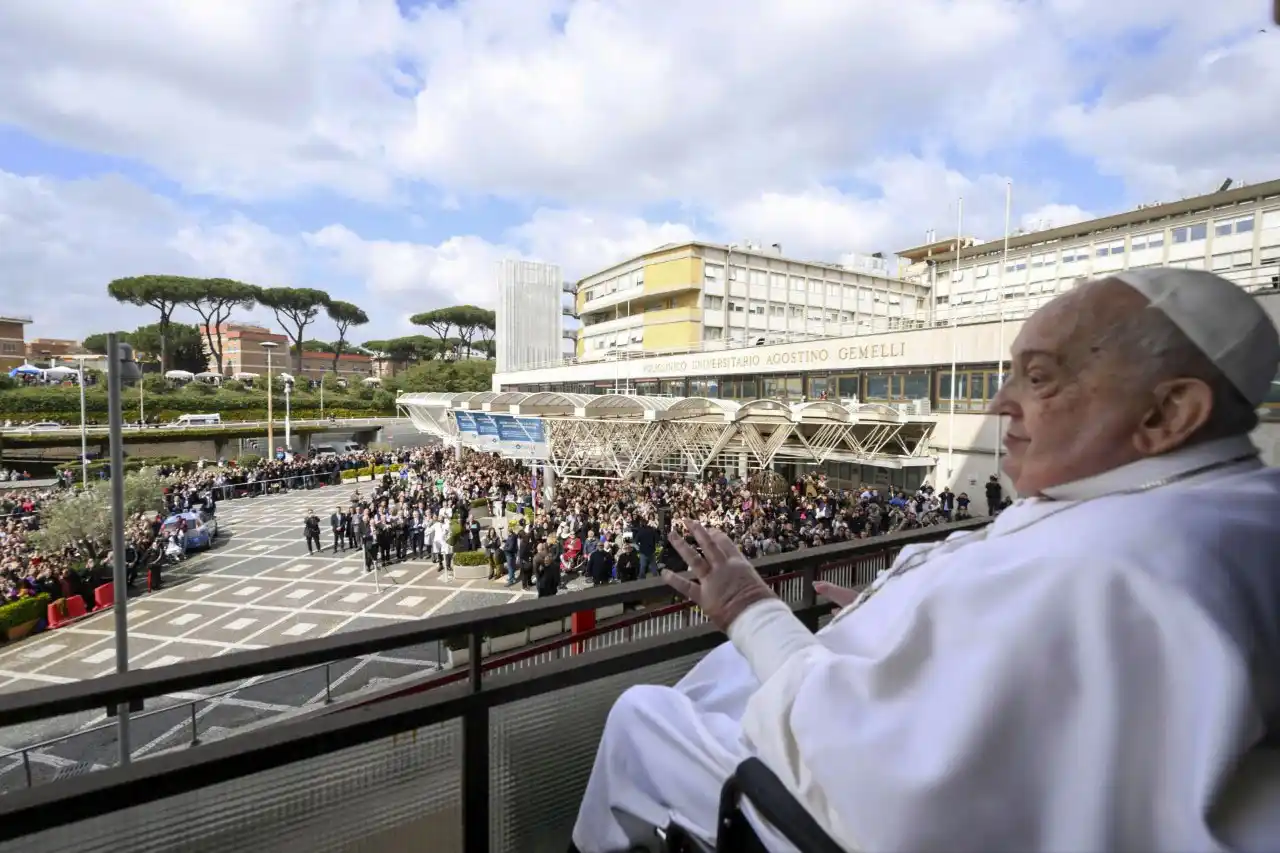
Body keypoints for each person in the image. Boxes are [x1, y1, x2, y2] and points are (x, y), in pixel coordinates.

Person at [570, 268, 1280, 853]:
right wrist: (901, 620)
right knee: (726, 672)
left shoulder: (1113, 561)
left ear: (1168, 413)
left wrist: (748, 607)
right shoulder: (1210, 502)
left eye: (1038, 377)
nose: (1001, 402)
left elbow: (882, 781)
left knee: (643, 713)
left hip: (837, 815)